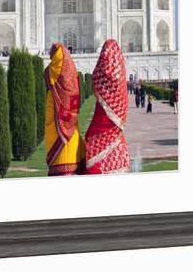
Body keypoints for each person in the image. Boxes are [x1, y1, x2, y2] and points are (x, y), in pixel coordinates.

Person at [85, 39, 130, 174]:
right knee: (114, 140)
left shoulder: (100, 74)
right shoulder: (120, 74)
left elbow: (96, 79)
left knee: (92, 140)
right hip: (115, 133)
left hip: (100, 125)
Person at [44, 42, 86, 176]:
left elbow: (46, 76)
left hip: (58, 121)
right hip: (71, 122)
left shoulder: (52, 70)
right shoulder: (72, 74)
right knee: (71, 140)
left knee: (61, 146)